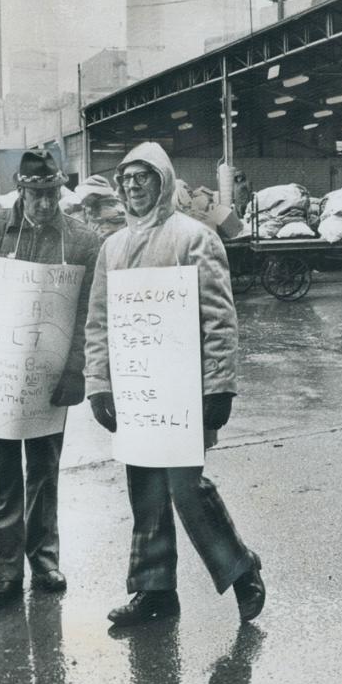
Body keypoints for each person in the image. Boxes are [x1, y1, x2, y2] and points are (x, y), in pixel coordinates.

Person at [83, 142, 264, 626]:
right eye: (126, 179)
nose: (133, 185)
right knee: (143, 490)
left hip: (183, 392)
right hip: (138, 392)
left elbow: (219, 318)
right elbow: (98, 321)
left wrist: (219, 387)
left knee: (186, 489)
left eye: (143, 177)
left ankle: (240, 568)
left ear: (162, 180)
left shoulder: (194, 239)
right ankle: (154, 590)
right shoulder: (113, 247)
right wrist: (99, 383)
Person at [0, 150, 103, 607]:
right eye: (37, 194)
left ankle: (44, 560)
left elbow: (88, 313)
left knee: (45, 471)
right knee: (2, 474)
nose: (46, 204)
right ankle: (4, 572)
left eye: (52, 194)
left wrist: (76, 371)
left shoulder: (83, 241)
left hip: (51, 380)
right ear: (21, 190)